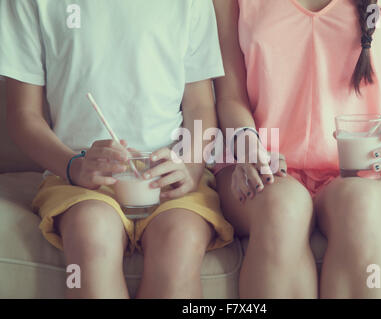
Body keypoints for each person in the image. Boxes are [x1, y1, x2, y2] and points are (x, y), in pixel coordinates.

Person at [0, 0, 233, 298]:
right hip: (78, 179)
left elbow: (200, 105)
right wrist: (73, 166)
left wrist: (190, 165)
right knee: (91, 237)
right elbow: (23, 115)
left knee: (181, 242)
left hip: (170, 177)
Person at [213, 0, 381, 298]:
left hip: (363, 168)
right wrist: (248, 146)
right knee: (283, 208)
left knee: (360, 206)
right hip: (263, 166)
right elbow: (229, 96)